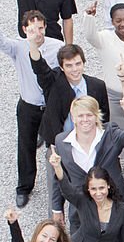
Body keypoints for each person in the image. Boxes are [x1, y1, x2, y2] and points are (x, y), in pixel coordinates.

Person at [30, 43, 110, 214]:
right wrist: (32, 45)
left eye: (78, 64)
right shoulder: (53, 83)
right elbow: (40, 69)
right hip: (60, 143)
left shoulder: (97, 86)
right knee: (56, 180)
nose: (74, 69)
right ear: (61, 67)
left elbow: (105, 117)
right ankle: (57, 214)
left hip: (89, 142)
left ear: (83, 63)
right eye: (69, 65)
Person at [2, 11, 63, 207]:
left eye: (40, 28)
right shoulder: (18, 48)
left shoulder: (57, 47)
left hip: (50, 106)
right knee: (26, 145)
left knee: (56, 145)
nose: (36, 33)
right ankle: (24, 187)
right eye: (31, 29)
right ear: (24, 30)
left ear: (45, 27)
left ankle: (61, 183)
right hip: (28, 106)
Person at [50, 94, 124, 221]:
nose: (85, 119)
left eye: (89, 115)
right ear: (73, 118)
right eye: (80, 116)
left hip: (113, 203)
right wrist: (57, 208)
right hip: (80, 208)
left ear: (96, 116)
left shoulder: (110, 134)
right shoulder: (61, 141)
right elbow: (60, 176)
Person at [81, 2, 124, 168]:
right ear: (112, 21)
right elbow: (90, 36)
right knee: (116, 133)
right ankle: (115, 168)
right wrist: (89, 17)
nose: (123, 24)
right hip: (115, 97)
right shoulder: (105, 38)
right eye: (118, 20)